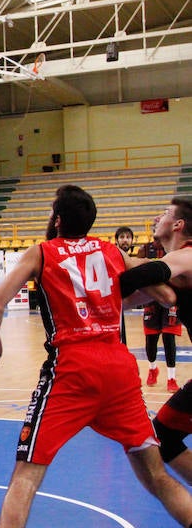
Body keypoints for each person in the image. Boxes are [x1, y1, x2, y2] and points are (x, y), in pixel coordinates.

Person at [0, 186, 192, 528]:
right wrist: (111, 302)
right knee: (157, 477)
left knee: (25, 477)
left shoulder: (41, 252)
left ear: (58, 219)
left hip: (72, 368)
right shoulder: (110, 251)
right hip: (118, 367)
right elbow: (167, 296)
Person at [119, 197, 192, 485]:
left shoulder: (187, 255)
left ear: (178, 224)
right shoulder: (173, 272)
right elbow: (125, 300)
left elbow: (143, 273)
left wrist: (118, 257)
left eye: (163, 213)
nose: (155, 218)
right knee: (164, 435)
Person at [136, 228, 182, 392]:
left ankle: (171, 378)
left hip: (170, 297)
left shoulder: (176, 249)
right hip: (151, 299)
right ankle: (152, 368)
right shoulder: (144, 250)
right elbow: (137, 273)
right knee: (151, 340)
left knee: (169, 338)